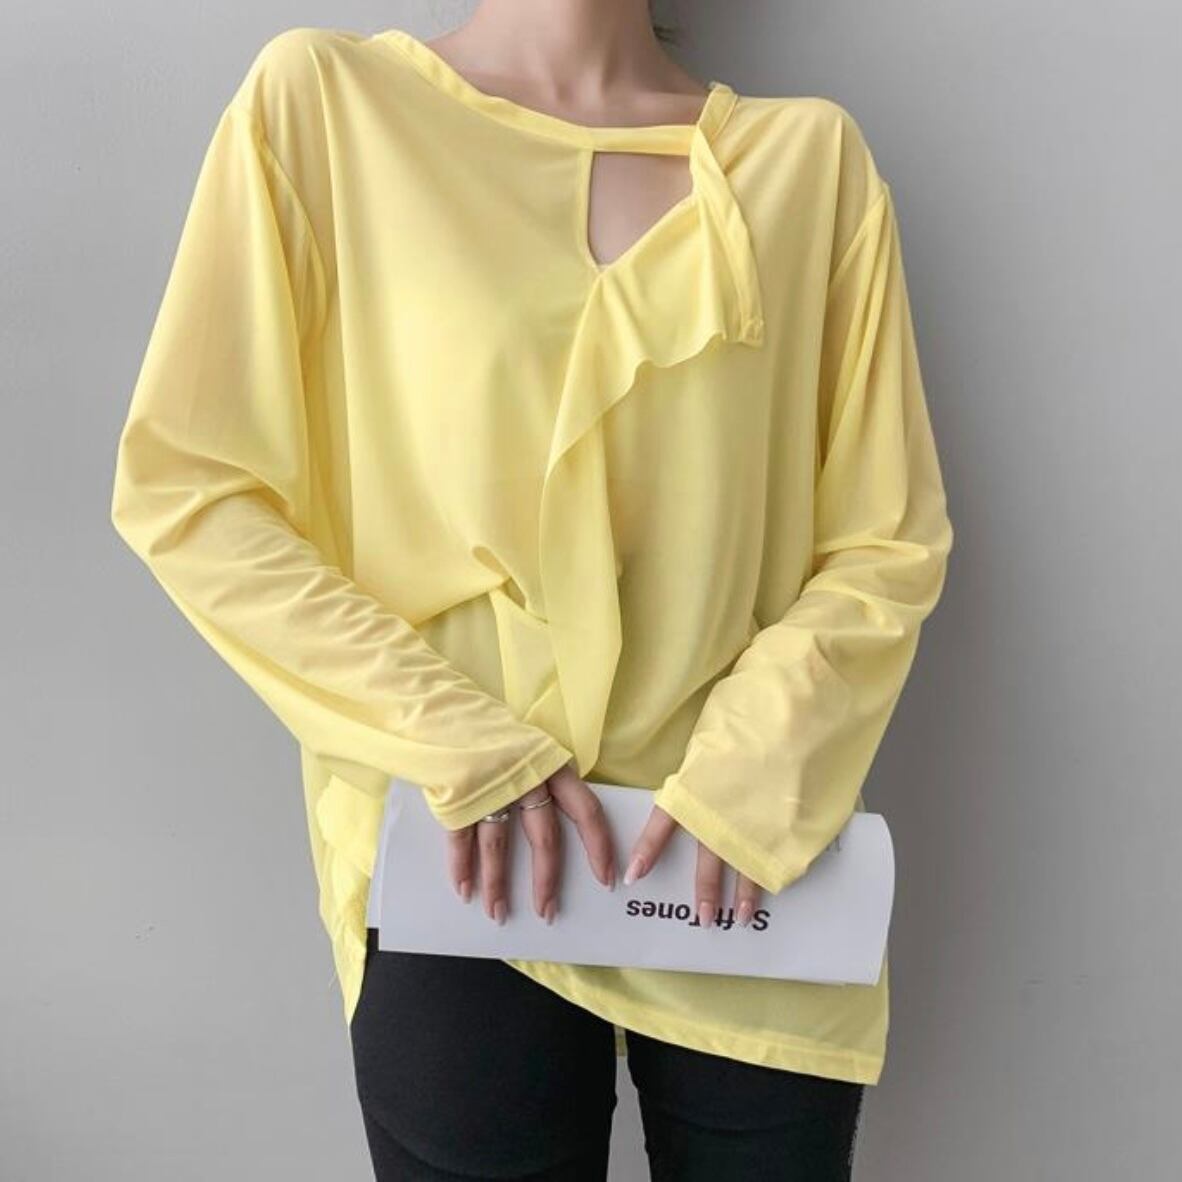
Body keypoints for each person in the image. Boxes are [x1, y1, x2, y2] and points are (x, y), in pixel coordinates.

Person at [109, 1, 954, 1177]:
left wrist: (753, 770)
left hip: (745, 856)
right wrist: (457, 739)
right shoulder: (325, 107)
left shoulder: (809, 163)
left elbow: (884, 540)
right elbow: (191, 490)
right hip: (466, 856)